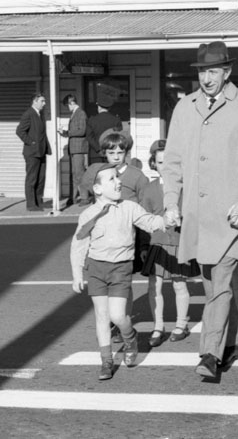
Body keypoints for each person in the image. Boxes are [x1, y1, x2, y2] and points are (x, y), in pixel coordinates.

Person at [160, 41, 238, 379]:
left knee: (221, 280)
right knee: (216, 284)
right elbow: (173, 162)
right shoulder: (185, 107)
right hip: (196, 215)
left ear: (227, 72)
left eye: (213, 71)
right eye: (202, 72)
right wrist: (170, 202)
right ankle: (236, 339)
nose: (207, 78)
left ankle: (209, 354)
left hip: (232, 215)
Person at [69, 162, 165, 380]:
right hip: (96, 268)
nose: (118, 181)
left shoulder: (129, 207)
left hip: (121, 268)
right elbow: (79, 245)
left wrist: (165, 221)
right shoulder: (88, 214)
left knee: (118, 315)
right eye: (111, 178)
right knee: (102, 316)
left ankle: (130, 337)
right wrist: (77, 273)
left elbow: (149, 222)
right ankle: (106, 361)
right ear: (97, 189)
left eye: (117, 177)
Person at [139, 140, 200, 347]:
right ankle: (158, 326)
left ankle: (181, 325)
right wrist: (144, 247)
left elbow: (194, 216)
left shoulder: (185, 189)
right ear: (153, 164)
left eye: (169, 162)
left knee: (179, 284)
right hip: (157, 243)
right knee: (154, 286)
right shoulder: (149, 189)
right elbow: (143, 220)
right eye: (160, 161)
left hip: (178, 242)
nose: (165, 166)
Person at [100, 131, 150, 339]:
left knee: (123, 281)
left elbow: (146, 207)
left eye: (121, 152)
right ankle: (114, 319)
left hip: (130, 237)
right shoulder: (101, 174)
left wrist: (146, 244)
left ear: (127, 152)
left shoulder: (137, 176)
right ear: (105, 153)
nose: (116, 156)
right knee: (108, 280)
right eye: (112, 152)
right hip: (106, 238)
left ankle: (123, 320)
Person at [15, 93, 51, 211]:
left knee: (41, 178)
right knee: (32, 179)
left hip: (41, 151)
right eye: (42, 101)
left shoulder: (40, 114)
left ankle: (39, 202)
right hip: (32, 152)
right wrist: (31, 142)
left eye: (44, 101)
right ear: (35, 101)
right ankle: (31, 204)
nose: (44, 103)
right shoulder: (28, 114)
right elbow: (20, 131)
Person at [58, 94, 89, 207]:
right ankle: (74, 197)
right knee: (75, 173)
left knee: (80, 173)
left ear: (72, 102)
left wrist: (68, 131)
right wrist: (65, 133)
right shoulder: (75, 114)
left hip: (79, 148)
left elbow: (82, 131)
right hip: (74, 148)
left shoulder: (80, 113)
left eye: (67, 105)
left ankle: (84, 197)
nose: (68, 108)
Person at [86, 92, 122, 164]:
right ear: (109, 107)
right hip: (112, 153)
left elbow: (89, 137)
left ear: (99, 106)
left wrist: (98, 149)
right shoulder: (116, 120)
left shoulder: (92, 120)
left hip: (95, 154)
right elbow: (119, 137)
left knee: (97, 174)